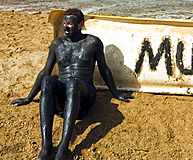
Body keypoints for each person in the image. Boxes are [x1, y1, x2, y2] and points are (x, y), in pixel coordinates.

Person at [10, 8, 133, 160]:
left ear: (81, 24)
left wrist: (116, 93)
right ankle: (46, 145)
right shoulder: (57, 44)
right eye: (65, 23)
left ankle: (63, 146)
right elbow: (45, 71)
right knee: (48, 81)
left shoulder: (92, 42)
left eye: (71, 24)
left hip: (84, 96)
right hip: (63, 100)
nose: (66, 27)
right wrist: (28, 98)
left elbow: (104, 69)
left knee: (73, 83)